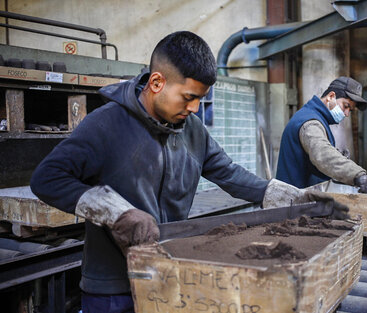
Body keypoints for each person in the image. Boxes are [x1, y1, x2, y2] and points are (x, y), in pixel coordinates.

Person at [30, 31, 348, 313]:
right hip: (112, 288)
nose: (195, 108)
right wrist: (116, 212)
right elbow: (47, 178)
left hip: (169, 274)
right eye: (189, 97)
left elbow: (230, 173)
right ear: (157, 83)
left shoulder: (191, 129)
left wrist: (294, 199)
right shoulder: (106, 124)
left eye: (200, 99)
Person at [276, 76, 367, 194]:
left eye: (350, 110)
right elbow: (323, 155)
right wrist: (358, 176)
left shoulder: (314, 117)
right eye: (346, 106)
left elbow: (312, 157)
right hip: (293, 202)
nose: (347, 114)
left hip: (302, 198)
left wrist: (337, 155)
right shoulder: (310, 123)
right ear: (331, 97)